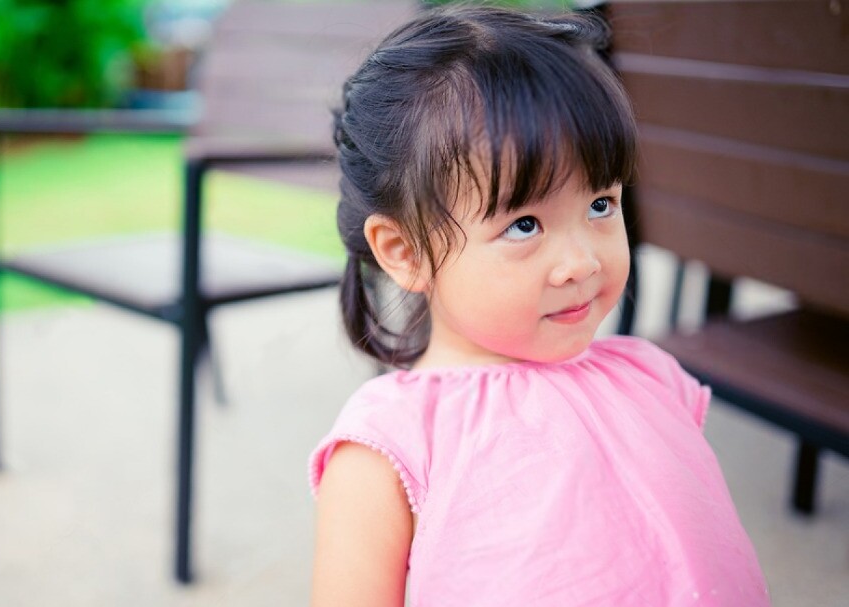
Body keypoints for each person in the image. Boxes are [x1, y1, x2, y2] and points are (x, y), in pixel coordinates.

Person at [308, 5, 770, 606]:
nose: (581, 260)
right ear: (405, 252)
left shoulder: (649, 378)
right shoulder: (392, 444)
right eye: (525, 224)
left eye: (601, 205)